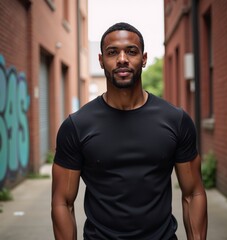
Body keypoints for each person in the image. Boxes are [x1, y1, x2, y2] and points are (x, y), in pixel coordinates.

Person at [51, 22, 207, 240]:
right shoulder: (77, 126)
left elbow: (193, 193)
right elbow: (62, 202)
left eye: (131, 51)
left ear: (143, 59)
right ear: (101, 60)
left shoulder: (175, 120)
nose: (122, 59)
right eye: (112, 52)